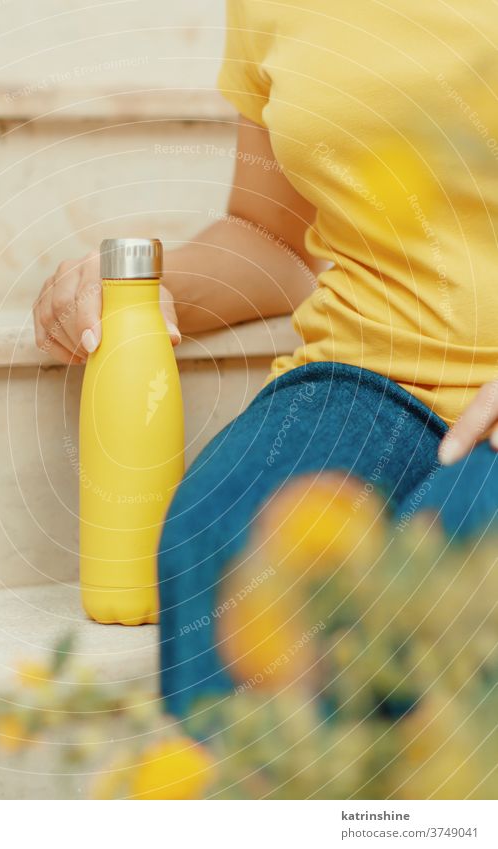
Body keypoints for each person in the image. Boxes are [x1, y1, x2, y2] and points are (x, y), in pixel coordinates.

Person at [33, 0, 498, 715]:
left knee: (448, 573)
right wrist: (138, 284)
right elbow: (272, 238)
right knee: (222, 537)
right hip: (368, 371)